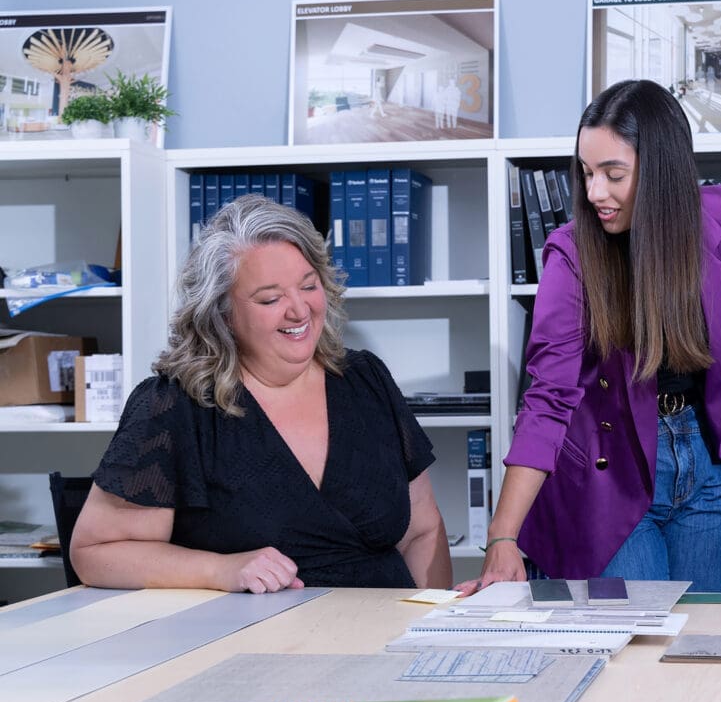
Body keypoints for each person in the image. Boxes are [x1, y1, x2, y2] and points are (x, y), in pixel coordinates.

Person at [459, 79, 721, 593]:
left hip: (711, 461)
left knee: (701, 631)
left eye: (613, 174)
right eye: (586, 172)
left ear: (661, 169)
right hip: (613, 470)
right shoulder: (571, 256)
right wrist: (502, 537)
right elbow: (548, 399)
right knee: (640, 634)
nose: (594, 192)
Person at [71, 197, 452, 593]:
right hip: (255, 631)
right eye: (271, 299)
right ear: (222, 313)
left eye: (309, 286)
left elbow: (421, 532)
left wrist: (439, 621)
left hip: (385, 624)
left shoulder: (365, 379)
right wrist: (220, 570)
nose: (299, 310)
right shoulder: (174, 405)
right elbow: (96, 554)